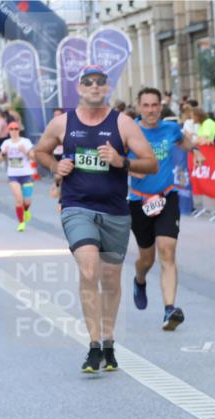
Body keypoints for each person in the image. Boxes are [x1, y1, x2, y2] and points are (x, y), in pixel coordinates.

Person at [33, 64, 157, 373]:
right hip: (77, 207)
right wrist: (55, 166)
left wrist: (121, 161)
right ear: (79, 88)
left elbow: (151, 164)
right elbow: (41, 152)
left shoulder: (123, 124)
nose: (94, 87)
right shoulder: (63, 123)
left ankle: (109, 342)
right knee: (89, 270)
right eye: (88, 82)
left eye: (100, 82)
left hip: (115, 211)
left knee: (111, 278)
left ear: (107, 88)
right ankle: (92, 345)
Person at [128, 87, 197, 331]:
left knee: (167, 251)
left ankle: (170, 309)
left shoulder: (170, 128)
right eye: (145, 105)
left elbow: (183, 140)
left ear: (160, 106)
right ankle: (140, 279)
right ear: (138, 107)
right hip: (139, 200)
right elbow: (116, 160)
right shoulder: (130, 132)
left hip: (167, 197)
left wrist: (195, 151)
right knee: (146, 258)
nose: (150, 110)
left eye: (154, 105)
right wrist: (130, 168)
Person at [0, 122, 35, 231]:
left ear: (19, 130)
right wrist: (3, 153)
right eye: (11, 129)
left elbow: (33, 156)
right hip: (13, 175)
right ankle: (21, 223)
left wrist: (25, 151)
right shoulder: (6, 143)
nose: (14, 131)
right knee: (18, 199)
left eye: (16, 129)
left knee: (27, 201)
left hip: (26, 174)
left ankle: (26, 210)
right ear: (8, 131)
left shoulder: (25, 142)